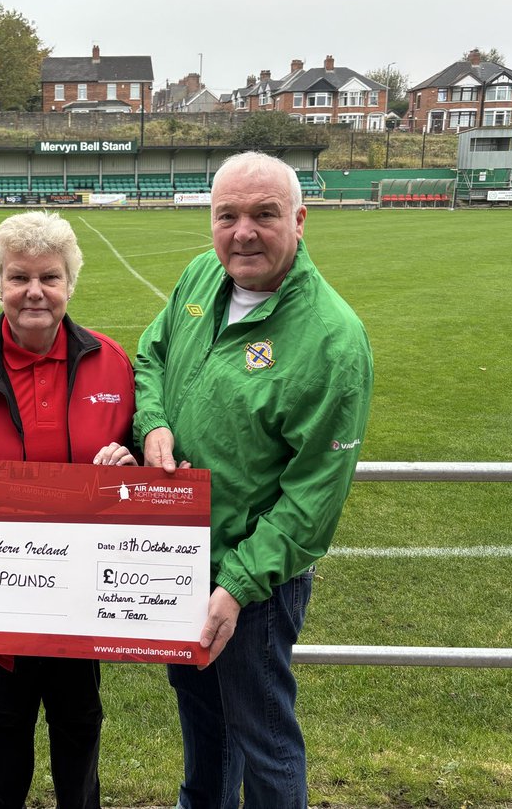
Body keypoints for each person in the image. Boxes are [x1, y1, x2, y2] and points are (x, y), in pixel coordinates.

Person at [134, 151, 373, 809]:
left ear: (300, 219)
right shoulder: (200, 276)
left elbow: (312, 500)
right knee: (202, 726)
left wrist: (236, 587)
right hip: (178, 558)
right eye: (227, 216)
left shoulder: (333, 340)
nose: (243, 232)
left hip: (255, 584)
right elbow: (150, 355)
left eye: (264, 215)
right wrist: (153, 423)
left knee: (263, 738)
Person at [0, 210, 136, 809]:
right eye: (19, 277)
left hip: (82, 594)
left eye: (51, 277)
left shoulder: (112, 364)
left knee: (79, 726)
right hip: (1, 595)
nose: (35, 292)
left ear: (71, 282)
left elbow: (143, 479)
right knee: (4, 728)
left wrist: (126, 471)